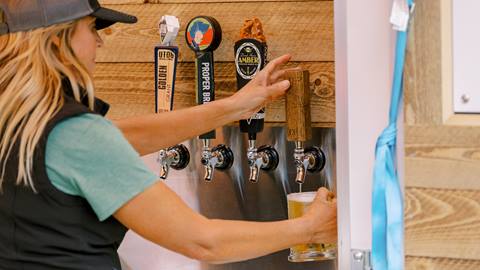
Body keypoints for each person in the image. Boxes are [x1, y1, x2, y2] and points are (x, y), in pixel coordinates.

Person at [0, 1, 337, 269]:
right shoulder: (77, 134)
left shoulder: (17, 119)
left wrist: (234, 107)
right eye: (91, 28)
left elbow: (120, 137)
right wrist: (308, 228)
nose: (100, 41)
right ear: (58, 41)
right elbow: (201, 241)